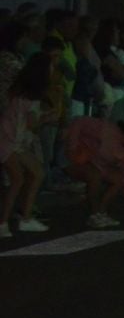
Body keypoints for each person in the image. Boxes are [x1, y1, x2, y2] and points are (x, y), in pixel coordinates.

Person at [0, 54, 56, 236]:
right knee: (19, 179)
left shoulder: (19, 91)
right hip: (9, 141)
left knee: (35, 173)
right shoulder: (32, 97)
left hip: (11, 140)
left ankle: (23, 217)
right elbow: (32, 124)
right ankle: (7, 222)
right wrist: (48, 117)